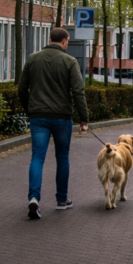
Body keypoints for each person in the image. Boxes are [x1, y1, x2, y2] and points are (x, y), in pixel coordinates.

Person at [18, 27, 89, 220]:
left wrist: (30, 109)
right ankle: (61, 200)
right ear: (65, 41)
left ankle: (34, 198)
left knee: (37, 157)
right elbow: (78, 91)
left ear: (50, 39)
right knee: (62, 158)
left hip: (38, 116)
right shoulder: (70, 61)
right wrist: (84, 118)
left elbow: (22, 88)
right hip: (62, 117)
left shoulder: (32, 59)